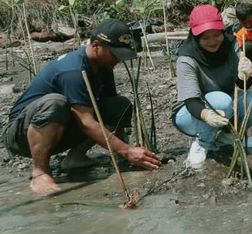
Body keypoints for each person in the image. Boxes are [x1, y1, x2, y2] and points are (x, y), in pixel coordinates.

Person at [3, 19, 161, 195]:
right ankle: (40, 172)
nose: (118, 60)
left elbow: (106, 111)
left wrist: (126, 151)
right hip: (22, 136)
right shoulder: (73, 71)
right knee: (54, 103)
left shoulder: (103, 66)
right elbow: (86, 122)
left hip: (61, 127)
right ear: (95, 45)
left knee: (119, 105)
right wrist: (127, 151)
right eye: (115, 53)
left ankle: (75, 158)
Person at [171, 5, 252, 169]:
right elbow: (191, 101)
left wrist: (246, 75)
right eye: (205, 38)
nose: (213, 41)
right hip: (191, 113)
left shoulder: (231, 44)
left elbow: (242, 86)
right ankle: (202, 142)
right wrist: (207, 115)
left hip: (226, 104)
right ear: (195, 36)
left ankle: (227, 135)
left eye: (216, 35)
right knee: (221, 101)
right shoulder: (187, 57)